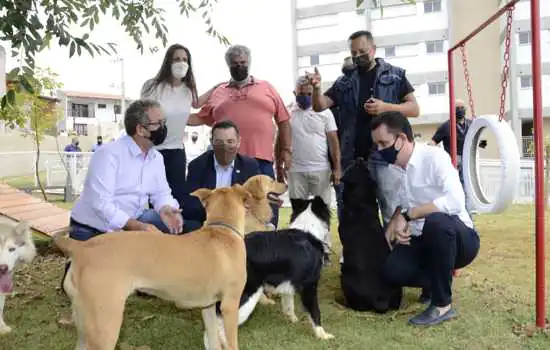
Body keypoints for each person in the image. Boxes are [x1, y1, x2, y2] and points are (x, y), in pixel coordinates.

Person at [371, 111, 480, 326]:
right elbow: (402, 207)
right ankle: (435, 282)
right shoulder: (398, 170)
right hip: (426, 240)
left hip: (459, 239)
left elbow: (455, 201)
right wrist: (395, 228)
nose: (379, 151)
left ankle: (442, 305)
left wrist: (410, 215)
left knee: (436, 222)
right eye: (377, 145)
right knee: (393, 270)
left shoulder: (434, 157)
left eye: (383, 143)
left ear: (401, 139)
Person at [307, 30, 420, 226]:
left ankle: (395, 250)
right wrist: (316, 88)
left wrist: (385, 107)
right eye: (354, 53)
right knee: (353, 211)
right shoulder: (344, 81)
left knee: (391, 208)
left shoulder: (395, 75)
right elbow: (319, 105)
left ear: (373, 49)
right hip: (354, 157)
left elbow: (414, 109)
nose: (358, 56)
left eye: (362, 51)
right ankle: (357, 253)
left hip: (387, 155)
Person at [188, 44, 292, 227]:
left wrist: (286, 150)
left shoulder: (266, 87)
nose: (239, 66)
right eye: (234, 63)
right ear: (228, 65)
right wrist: (170, 114)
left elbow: (283, 120)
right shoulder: (218, 92)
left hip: (261, 161)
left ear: (249, 63)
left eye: (243, 62)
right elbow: (198, 116)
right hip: (229, 162)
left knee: (266, 213)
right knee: (233, 215)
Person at [69, 99, 184, 241]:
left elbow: (161, 193)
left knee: (185, 228)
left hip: (133, 221)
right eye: (158, 123)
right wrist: (137, 227)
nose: (163, 127)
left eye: (164, 122)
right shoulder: (109, 154)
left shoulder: (156, 158)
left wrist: (166, 208)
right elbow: (102, 204)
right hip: (94, 228)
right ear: (140, 129)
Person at [140, 43, 219, 208]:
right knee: (153, 199)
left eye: (185, 59)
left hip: (176, 152)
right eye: (176, 59)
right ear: (168, 61)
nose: (181, 63)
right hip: (154, 151)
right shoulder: (152, 87)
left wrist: (216, 89)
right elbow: (141, 117)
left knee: (176, 198)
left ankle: (175, 232)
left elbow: (195, 107)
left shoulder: (188, 90)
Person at [184, 120, 261, 232]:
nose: (225, 147)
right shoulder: (197, 166)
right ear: (211, 142)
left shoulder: (249, 166)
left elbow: (255, 200)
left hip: (239, 224)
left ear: (239, 142)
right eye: (219, 142)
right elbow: (191, 203)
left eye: (230, 141)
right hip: (207, 224)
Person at [288, 76, 341, 207]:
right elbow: (280, 140)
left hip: (321, 170)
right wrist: (279, 165)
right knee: (298, 213)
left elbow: (334, 143)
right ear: (295, 93)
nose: (305, 97)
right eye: (301, 94)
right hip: (295, 171)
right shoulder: (288, 112)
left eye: (309, 94)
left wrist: (337, 169)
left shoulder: (326, 113)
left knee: (322, 213)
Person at [429, 100, 487, 206]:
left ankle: (466, 212)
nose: (460, 110)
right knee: (454, 187)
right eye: (457, 108)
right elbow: (433, 141)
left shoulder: (471, 124)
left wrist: (481, 143)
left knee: (467, 187)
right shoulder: (446, 126)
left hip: (467, 160)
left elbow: (476, 141)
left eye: (462, 108)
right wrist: (432, 152)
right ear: (452, 110)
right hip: (452, 160)